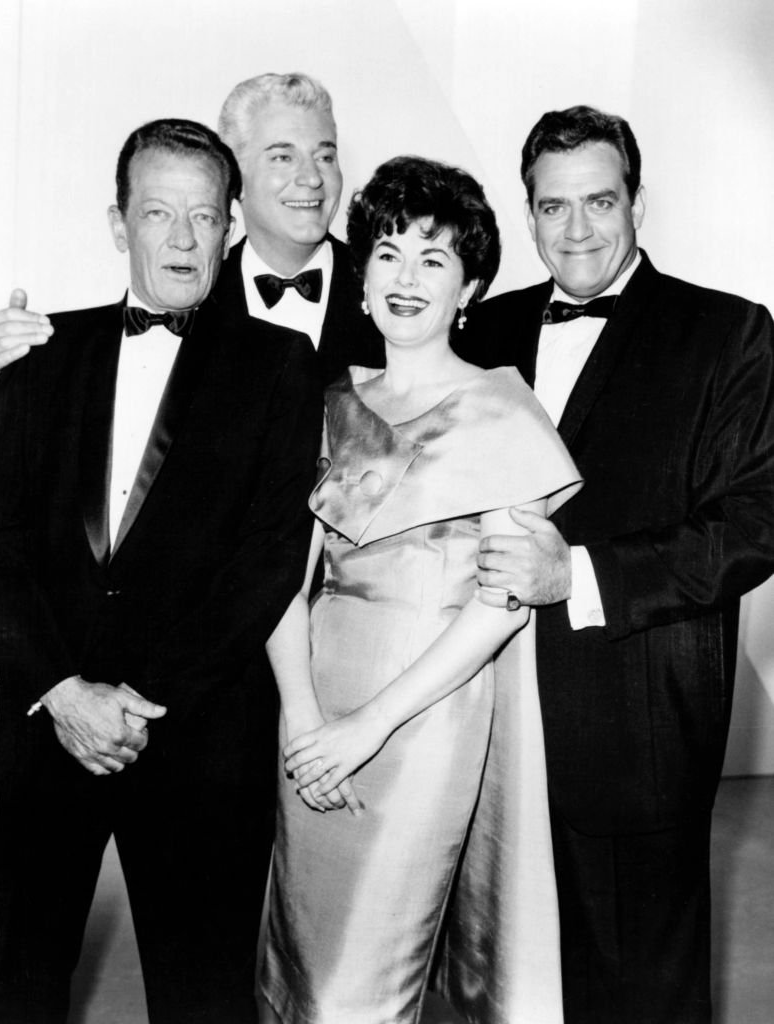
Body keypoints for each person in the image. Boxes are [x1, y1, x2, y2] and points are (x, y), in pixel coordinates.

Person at [0, 118, 322, 1024]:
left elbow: (269, 556)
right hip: (49, 735)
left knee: (203, 998)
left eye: (204, 216)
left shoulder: (279, 364)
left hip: (198, 744)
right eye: (158, 214)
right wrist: (59, 688)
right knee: (27, 983)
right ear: (118, 223)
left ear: (233, 225)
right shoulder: (38, 355)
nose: (184, 239)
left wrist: (141, 699)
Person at [438, 106, 774, 1024]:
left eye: (598, 202)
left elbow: (753, 522)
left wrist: (579, 574)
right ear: (528, 211)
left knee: (641, 988)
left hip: (637, 721)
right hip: (484, 717)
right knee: (497, 982)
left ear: (635, 202)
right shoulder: (482, 328)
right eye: (553, 207)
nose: (576, 229)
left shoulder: (727, 333)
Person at [258, 155, 582, 1024]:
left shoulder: (504, 412)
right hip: (312, 705)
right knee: (297, 968)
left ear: (469, 288)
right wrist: (303, 719)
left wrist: (370, 723)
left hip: (426, 718)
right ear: (359, 276)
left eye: (434, 260)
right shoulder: (320, 401)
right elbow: (277, 581)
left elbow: (499, 602)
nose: (407, 278)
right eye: (389, 252)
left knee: (360, 983)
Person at [0, 72, 382, 389]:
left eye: (325, 156)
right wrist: (12, 380)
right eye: (282, 157)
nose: (312, 178)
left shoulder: (392, 290)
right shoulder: (178, 288)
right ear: (232, 177)